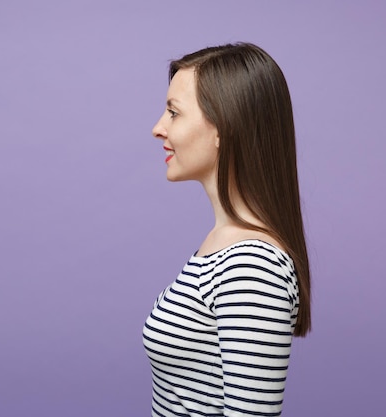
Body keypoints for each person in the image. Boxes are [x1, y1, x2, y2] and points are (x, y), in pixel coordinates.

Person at [143, 42, 311, 417]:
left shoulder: (252, 267)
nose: (158, 128)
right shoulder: (221, 246)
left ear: (225, 127)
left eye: (173, 112)